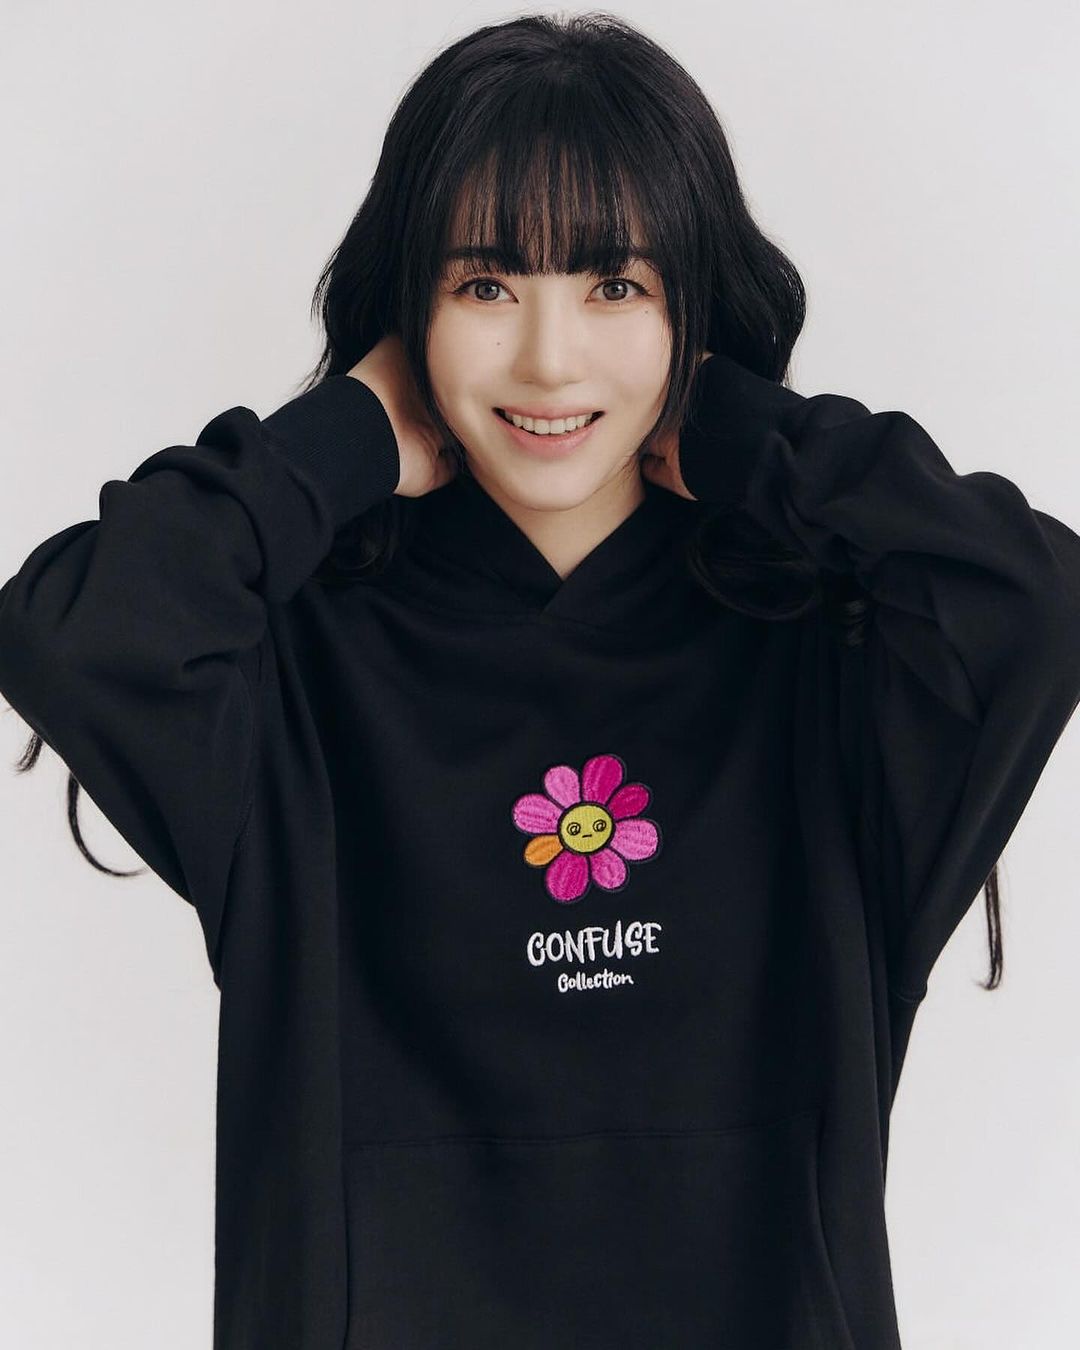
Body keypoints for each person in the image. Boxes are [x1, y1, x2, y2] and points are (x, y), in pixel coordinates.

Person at [2, 12, 1078, 1350]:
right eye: (486, 286)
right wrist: (339, 441)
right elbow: (71, 631)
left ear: (691, 310)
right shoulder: (295, 660)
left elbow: (1032, 605)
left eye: (616, 286)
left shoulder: (826, 650)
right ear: (410, 310)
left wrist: (749, 438)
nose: (550, 360)